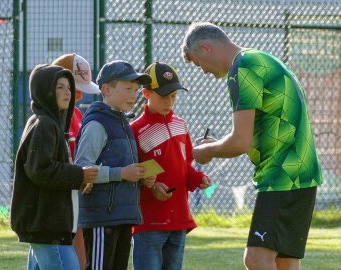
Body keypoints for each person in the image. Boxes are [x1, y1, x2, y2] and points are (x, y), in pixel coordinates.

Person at [181, 22, 323, 270]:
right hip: (302, 172)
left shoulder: (242, 69)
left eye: (197, 62)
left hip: (282, 175)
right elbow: (262, 131)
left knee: (256, 259)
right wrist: (217, 145)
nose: (202, 70)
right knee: (284, 261)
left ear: (206, 47)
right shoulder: (260, 58)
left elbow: (240, 141)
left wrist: (205, 151)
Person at [10, 64, 99, 270]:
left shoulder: (50, 124)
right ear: (45, 91)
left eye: (69, 87)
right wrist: (79, 175)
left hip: (47, 227)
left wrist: (77, 181)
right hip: (47, 227)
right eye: (60, 87)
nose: (67, 92)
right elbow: (41, 169)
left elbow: (51, 171)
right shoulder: (45, 125)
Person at [74, 60, 156, 270]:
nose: (134, 94)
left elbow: (123, 169)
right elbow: (83, 168)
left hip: (123, 214)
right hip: (103, 217)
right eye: (128, 88)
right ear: (106, 89)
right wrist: (122, 173)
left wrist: (141, 177)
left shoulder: (122, 122)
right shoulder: (97, 124)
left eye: (137, 89)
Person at [130, 62, 213, 270]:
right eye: (164, 96)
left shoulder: (181, 124)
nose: (170, 101)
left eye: (174, 96)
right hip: (149, 222)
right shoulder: (136, 130)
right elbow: (133, 171)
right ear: (147, 94)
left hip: (179, 219)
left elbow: (186, 165)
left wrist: (197, 178)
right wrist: (151, 185)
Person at [52, 53, 101, 270]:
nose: (79, 96)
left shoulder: (77, 114)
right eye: (75, 89)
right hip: (61, 202)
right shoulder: (50, 120)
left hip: (79, 197)